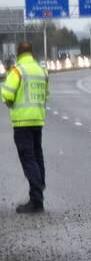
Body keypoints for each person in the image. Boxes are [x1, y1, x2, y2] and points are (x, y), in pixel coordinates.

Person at [1, 42, 49, 213]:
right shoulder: (41, 70)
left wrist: (9, 102)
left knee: (28, 159)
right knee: (37, 156)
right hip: (38, 119)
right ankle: (39, 193)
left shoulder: (17, 71)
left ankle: (36, 199)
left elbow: (7, 93)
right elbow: (46, 94)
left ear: (18, 54)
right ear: (32, 53)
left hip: (22, 122)